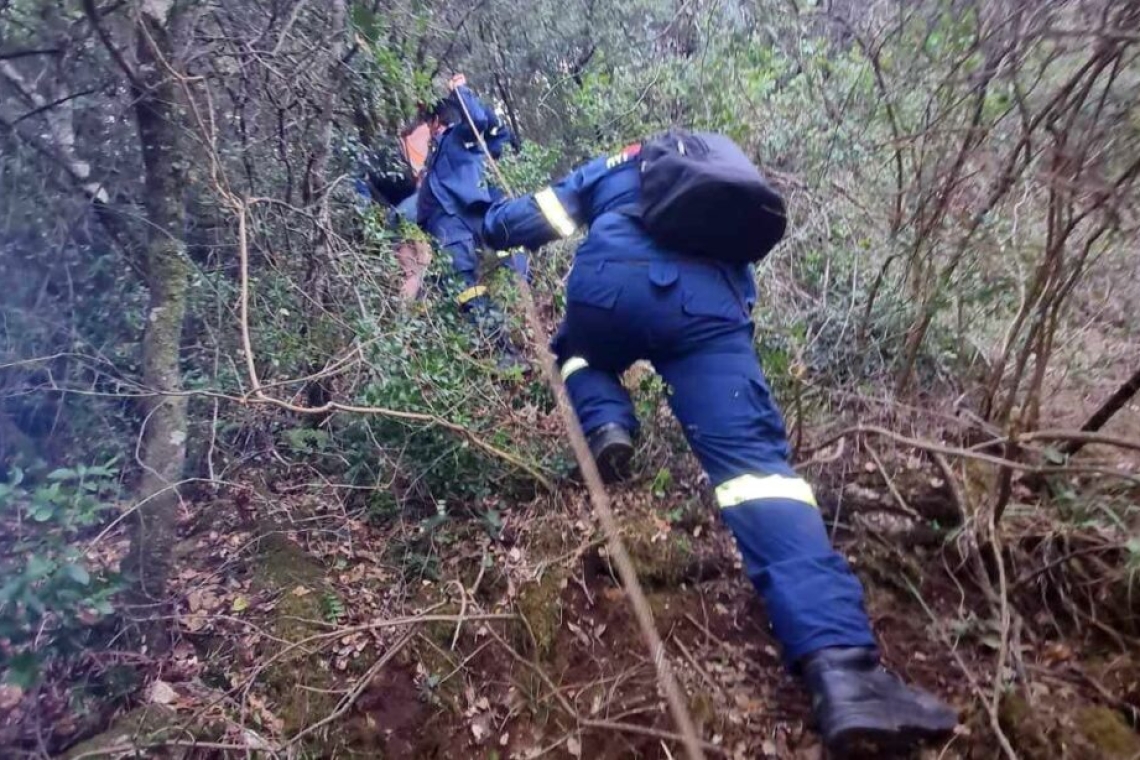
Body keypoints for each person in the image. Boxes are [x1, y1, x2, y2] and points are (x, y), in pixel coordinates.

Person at [482, 139, 958, 752]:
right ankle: (844, 672)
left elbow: (535, 219)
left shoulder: (615, 166)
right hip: (707, 316)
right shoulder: (719, 172)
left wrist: (492, 221)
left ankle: (606, 423)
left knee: (575, 351)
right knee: (763, 481)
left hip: (609, 295)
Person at [417, 74, 528, 336]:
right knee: (462, 285)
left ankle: (515, 325)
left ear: (435, 122)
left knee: (503, 258)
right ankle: (500, 346)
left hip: (463, 215)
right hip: (446, 222)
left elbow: (479, 120)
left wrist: (461, 92)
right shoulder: (435, 155)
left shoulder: (458, 137)